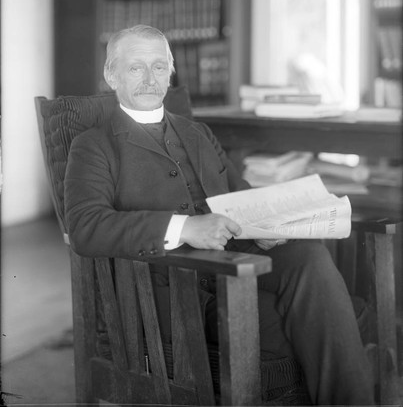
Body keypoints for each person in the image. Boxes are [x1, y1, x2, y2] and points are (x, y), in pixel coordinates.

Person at [64, 24, 375, 405]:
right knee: (318, 322)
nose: (150, 79)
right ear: (111, 75)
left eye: (159, 67)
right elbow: (84, 227)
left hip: (236, 265)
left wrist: (273, 223)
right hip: (172, 289)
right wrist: (184, 227)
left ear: (171, 71)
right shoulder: (93, 145)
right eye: (135, 68)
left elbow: (239, 195)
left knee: (308, 256)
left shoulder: (197, 133)